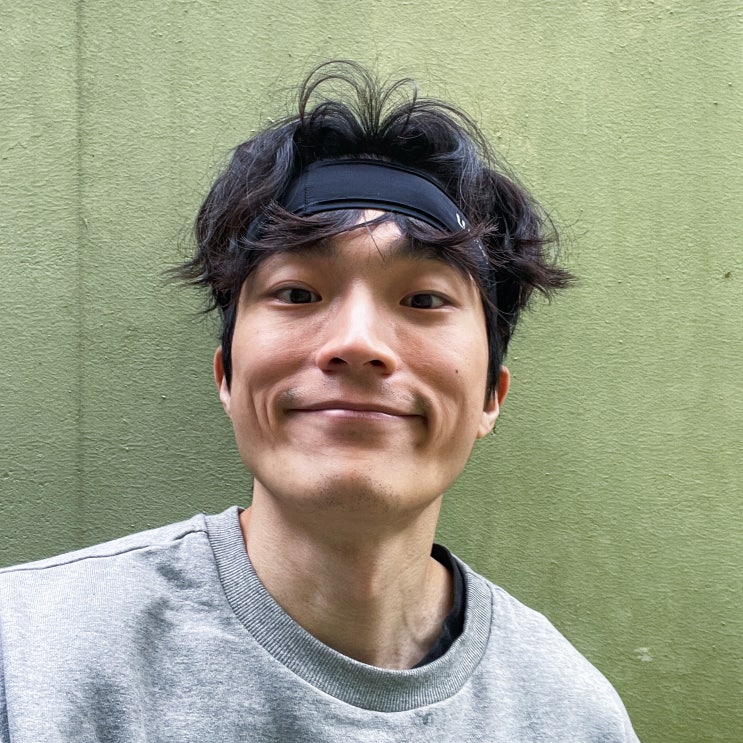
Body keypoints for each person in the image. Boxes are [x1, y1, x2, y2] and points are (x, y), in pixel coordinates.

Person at [0, 61, 639, 741]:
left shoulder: (570, 715)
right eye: (298, 293)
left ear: (490, 395)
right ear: (226, 374)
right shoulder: (26, 659)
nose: (357, 342)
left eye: (424, 299)